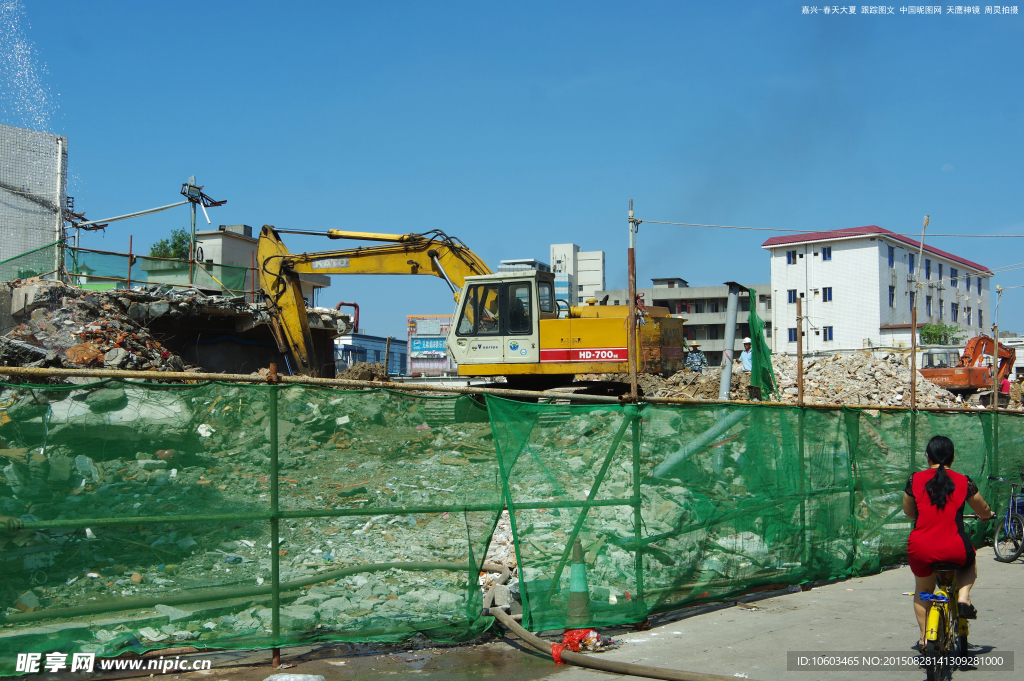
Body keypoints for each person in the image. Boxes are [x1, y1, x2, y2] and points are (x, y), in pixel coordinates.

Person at [903, 435, 994, 651]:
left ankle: (925, 639)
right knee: (969, 560)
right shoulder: (964, 481)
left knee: (923, 591)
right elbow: (983, 509)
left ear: (927, 456)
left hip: (921, 548)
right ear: (953, 457)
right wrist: (986, 516)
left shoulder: (914, 480)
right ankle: (963, 597)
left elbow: (909, 512)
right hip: (955, 547)